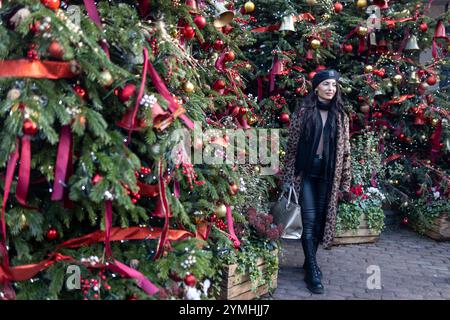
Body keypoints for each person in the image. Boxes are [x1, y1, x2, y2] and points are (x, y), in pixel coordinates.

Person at [282, 69, 353, 294]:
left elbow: (346, 153)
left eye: (334, 85)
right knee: (310, 220)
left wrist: (345, 183)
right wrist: (288, 178)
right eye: (326, 84)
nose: (331, 88)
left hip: (328, 174)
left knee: (321, 221)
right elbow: (292, 148)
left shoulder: (341, 116)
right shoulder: (304, 113)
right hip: (306, 172)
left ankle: (308, 259)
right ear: (316, 88)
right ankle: (313, 269)